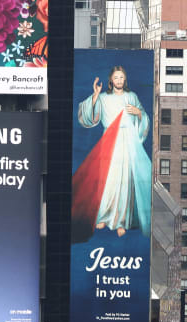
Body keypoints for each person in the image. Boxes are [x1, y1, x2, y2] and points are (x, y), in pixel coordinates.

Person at [72, 65, 151, 241]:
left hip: (127, 142)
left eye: (122, 77)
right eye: (116, 78)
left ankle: (122, 220)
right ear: (111, 80)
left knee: (125, 180)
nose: (119, 81)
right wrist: (95, 95)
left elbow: (143, 118)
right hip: (109, 141)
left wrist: (138, 113)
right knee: (107, 179)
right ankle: (104, 216)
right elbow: (90, 116)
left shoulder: (131, 97)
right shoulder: (103, 97)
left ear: (125, 80)